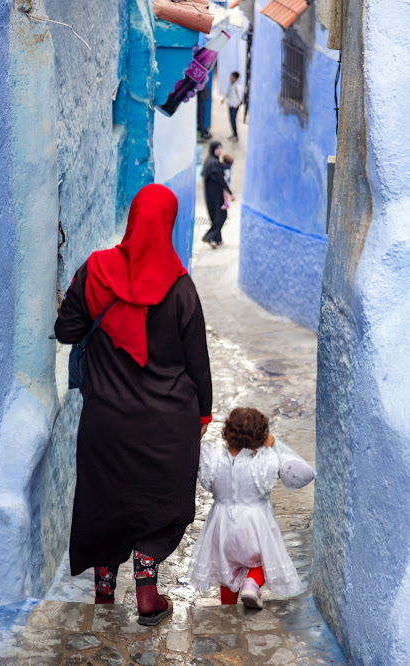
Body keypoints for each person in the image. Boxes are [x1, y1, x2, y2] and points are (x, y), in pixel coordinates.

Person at [54, 184, 213, 626]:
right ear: (168, 224)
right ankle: (147, 592)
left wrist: (79, 295)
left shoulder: (95, 272)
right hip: (167, 425)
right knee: (160, 503)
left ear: (132, 218)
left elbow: (66, 331)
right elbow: (198, 364)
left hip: (105, 420)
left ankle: (104, 592)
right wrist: (203, 415)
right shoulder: (181, 290)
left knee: (104, 500)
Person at [187, 407, 315, 608]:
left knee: (228, 570)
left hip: (222, 524)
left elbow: (191, 452)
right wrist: (275, 446)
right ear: (261, 437)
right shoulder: (265, 460)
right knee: (267, 558)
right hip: (255, 523)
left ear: (227, 431)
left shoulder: (211, 458)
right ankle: (252, 584)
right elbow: (304, 474)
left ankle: (227, 608)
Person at [202, 141, 235, 248]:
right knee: (222, 215)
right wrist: (230, 193)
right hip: (216, 194)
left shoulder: (209, 161)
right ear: (213, 149)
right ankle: (208, 236)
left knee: (216, 216)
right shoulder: (214, 163)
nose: (220, 151)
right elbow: (221, 179)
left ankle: (217, 239)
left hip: (210, 194)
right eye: (218, 149)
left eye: (220, 148)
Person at [222, 71, 243, 142]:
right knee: (231, 120)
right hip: (230, 104)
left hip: (234, 106)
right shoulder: (230, 85)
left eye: (232, 77)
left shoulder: (237, 86)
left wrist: (235, 105)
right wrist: (224, 99)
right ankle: (233, 134)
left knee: (233, 120)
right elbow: (228, 93)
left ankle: (236, 136)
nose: (230, 78)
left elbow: (240, 98)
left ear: (235, 78)